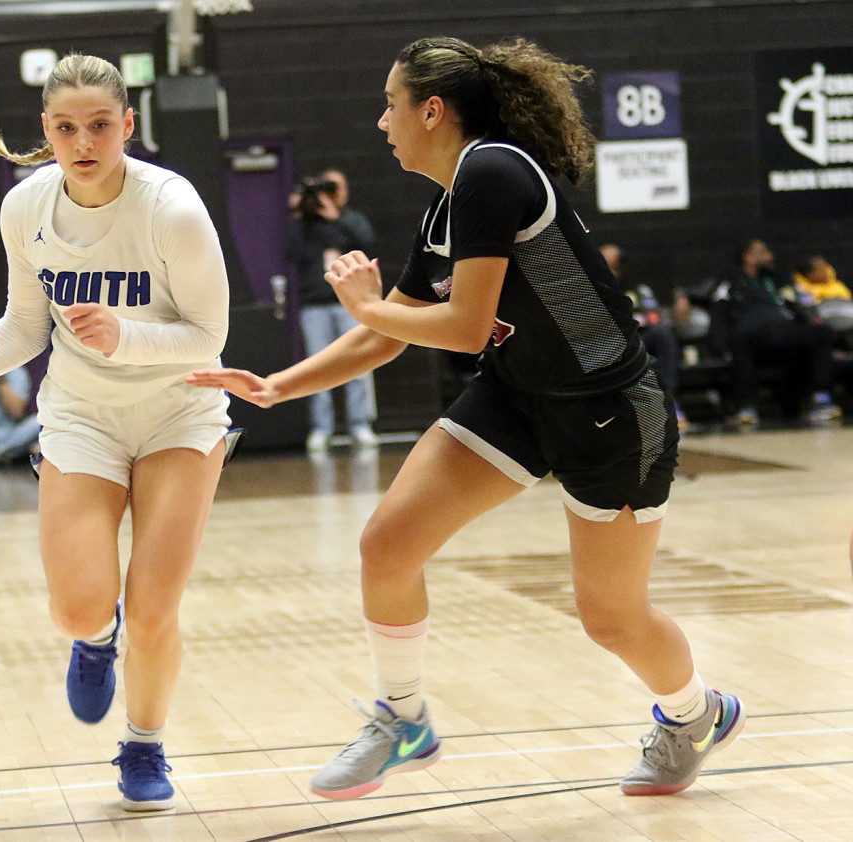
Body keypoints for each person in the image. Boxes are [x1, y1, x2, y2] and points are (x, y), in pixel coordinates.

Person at [188, 35, 744, 801]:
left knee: (611, 618)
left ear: (433, 109)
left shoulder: (493, 169)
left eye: (391, 104)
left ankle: (696, 714)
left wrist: (366, 302)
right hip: (516, 397)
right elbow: (389, 334)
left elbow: (464, 325)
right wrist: (280, 385)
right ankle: (403, 719)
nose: (382, 121)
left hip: (609, 412)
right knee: (387, 545)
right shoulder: (449, 206)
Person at [0, 53, 234, 812]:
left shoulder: (173, 208)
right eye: (66, 128)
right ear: (47, 132)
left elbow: (210, 333)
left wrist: (127, 336)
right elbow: (24, 328)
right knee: (79, 608)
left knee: (155, 609)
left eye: (100, 125)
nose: (84, 141)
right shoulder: (26, 208)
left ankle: (144, 745)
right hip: (83, 418)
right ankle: (94, 640)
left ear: (128, 125)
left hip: (178, 413)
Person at [288, 168, 380, 451]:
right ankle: (321, 428)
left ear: (345, 192)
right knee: (318, 366)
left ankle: (359, 425)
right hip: (315, 305)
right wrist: (300, 213)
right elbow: (291, 253)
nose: (332, 193)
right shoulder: (305, 224)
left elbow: (367, 244)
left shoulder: (351, 220)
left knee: (358, 364)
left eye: (336, 187)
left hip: (352, 305)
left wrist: (335, 218)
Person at [710, 239, 841, 427]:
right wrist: (719, 347)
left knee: (820, 332)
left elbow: (801, 308)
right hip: (754, 339)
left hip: (785, 333)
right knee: (739, 340)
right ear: (747, 257)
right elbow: (719, 316)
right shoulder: (731, 283)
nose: (769, 256)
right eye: (763, 252)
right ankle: (747, 407)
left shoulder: (780, 280)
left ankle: (821, 399)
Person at [600, 243, 687, 430]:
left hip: (639, 338)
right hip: (608, 344)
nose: (610, 270)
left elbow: (652, 315)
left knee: (663, 331)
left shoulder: (637, 289)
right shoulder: (589, 290)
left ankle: (669, 400)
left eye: (614, 266)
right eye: (605, 265)